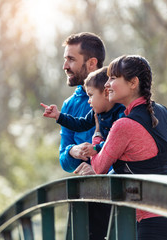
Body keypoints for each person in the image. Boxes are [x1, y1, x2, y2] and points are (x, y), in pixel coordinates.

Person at [83, 55, 167, 239]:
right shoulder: (165, 112)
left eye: (113, 78)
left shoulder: (123, 126)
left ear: (133, 83)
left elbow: (99, 168)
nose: (107, 84)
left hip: (149, 218)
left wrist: (97, 138)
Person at [54, 32, 110, 240]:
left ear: (91, 63)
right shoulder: (69, 105)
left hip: (119, 197)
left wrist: (97, 168)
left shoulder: (116, 97)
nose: (65, 66)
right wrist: (73, 151)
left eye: (71, 59)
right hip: (86, 201)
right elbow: (64, 161)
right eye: (65, 59)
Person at [41, 67, 125, 163]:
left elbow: (116, 142)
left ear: (106, 92)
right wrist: (59, 116)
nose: (89, 101)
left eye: (91, 95)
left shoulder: (121, 114)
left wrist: (96, 148)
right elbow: (80, 124)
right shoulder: (96, 112)